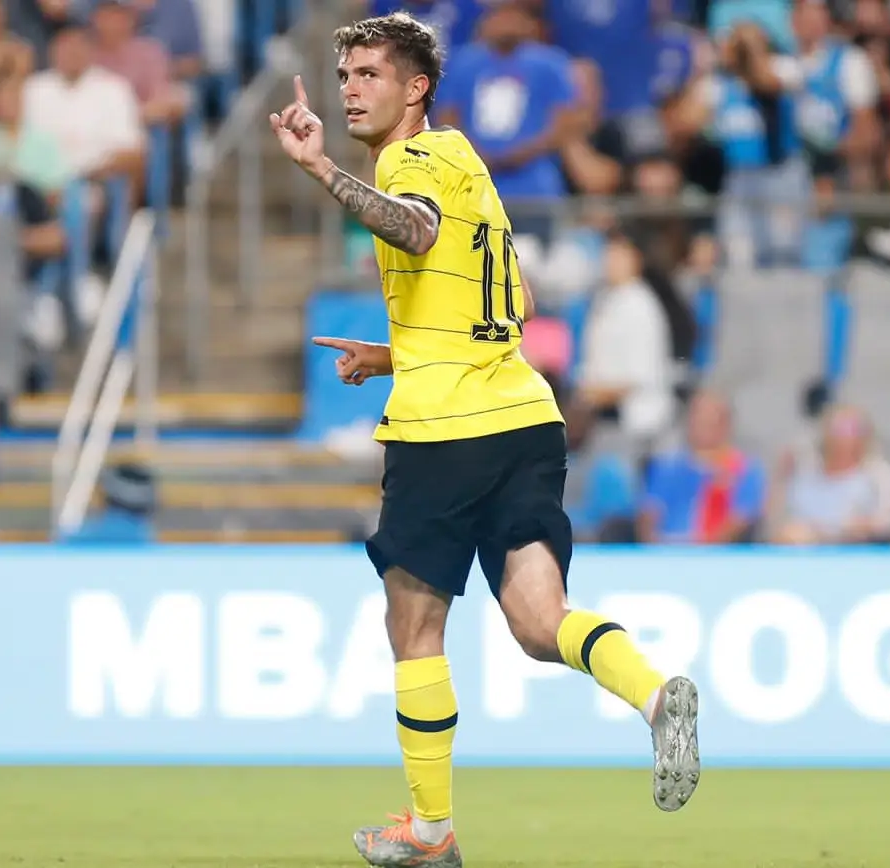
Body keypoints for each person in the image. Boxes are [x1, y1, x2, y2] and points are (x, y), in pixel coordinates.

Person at [269, 13, 700, 867]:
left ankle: (431, 833)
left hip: (447, 429)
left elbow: (416, 231)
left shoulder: (411, 160)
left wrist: (320, 167)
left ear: (415, 86)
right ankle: (656, 699)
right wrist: (397, 351)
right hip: (524, 415)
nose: (351, 88)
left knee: (413, 623)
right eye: (345, 74)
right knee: (540, 621)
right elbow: (517, 302)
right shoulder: (468, 160)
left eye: (369, 74)